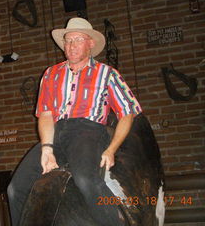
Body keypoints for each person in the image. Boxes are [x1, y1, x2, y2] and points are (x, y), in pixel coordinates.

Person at [7, 17, 142, 226]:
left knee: (86, 180)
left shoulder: (107, 74)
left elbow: (127, 113)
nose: (71, 45)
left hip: (88, 131)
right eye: (68, 40)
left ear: (91, 43)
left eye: (78, 39)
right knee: (15, 189)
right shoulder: (51, 74)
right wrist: (47, 148)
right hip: (56, 132)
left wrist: (111, 149)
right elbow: (45, 114)